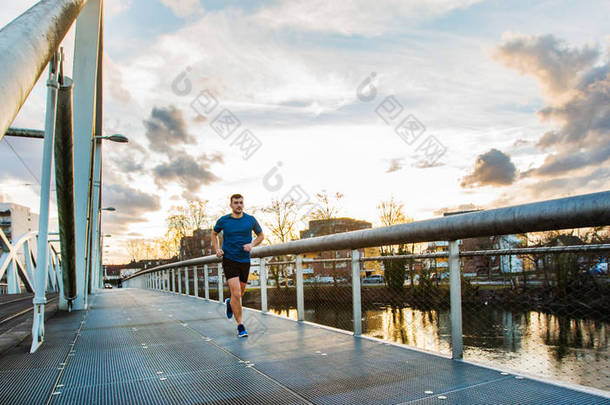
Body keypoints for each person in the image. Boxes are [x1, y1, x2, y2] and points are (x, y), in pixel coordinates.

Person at [211, 194, 264, 337]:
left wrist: (252, 244)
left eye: (241, 202)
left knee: (240, 293)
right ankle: (240, 326)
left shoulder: (250, 220)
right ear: (231, 205)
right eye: (236, 203)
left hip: (244, 260)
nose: (239, 205)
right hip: (229, 259)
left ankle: (229, 303)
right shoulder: (224, 220)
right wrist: (217, 249)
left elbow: (261, 236)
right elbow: (213, 233)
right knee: (236, 293)